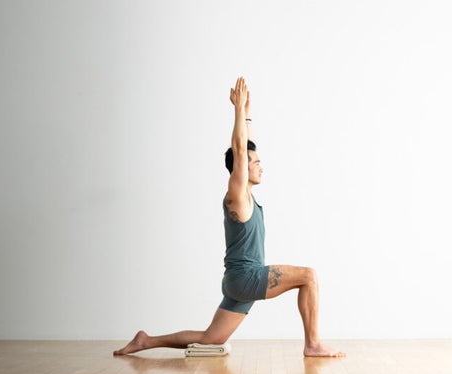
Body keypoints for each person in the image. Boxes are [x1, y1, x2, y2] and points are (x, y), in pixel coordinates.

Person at [114, 77, 344, 357]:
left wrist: (247, 113)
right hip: (246, 277)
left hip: (237, 280)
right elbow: (239, 150)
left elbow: (245, 148)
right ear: (241, 168)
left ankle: (146, 341)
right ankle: (313, 344)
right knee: (309, 276)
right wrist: (237, 111)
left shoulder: (248, 197)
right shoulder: (237, 195)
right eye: (255, 163)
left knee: (211, 338)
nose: (261, 167)